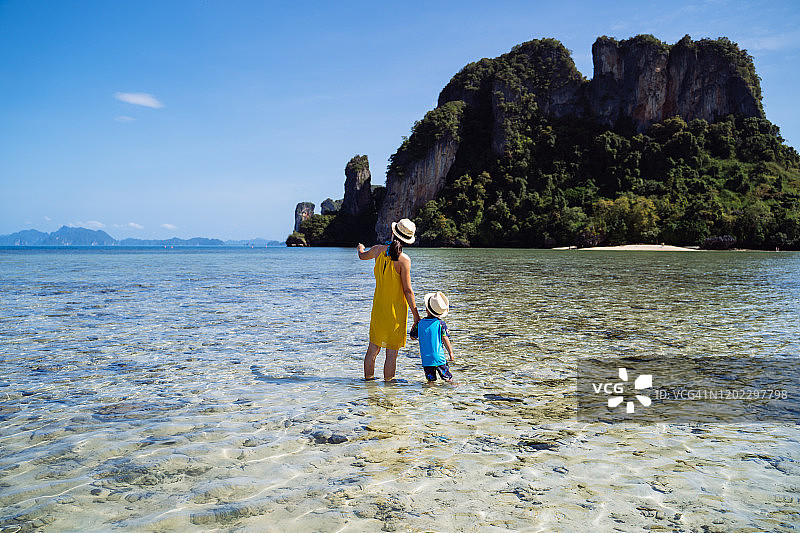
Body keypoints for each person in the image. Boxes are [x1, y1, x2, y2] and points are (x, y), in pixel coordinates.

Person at [357, 218, 421, 381]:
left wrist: (360, 248)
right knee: (391, 355)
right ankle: (389, 390)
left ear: (393, 232)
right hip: (396, 312)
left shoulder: (377, 250)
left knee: (372, 350)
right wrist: (416, 316)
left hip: (379, 308)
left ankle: (368, 385)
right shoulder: (404, 260)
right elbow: (408, 291)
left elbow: (362, 256)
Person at [413, 291, 454, 383]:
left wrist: (415, 324)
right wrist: (451, 353)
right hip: (439, 358)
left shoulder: (420, 323)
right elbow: (445, 338)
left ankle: (432, 391)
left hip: (426, 360)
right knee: (448, 379)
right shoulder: (440, 323)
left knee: (430, 382)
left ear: (426, 309)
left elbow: (413, 337)